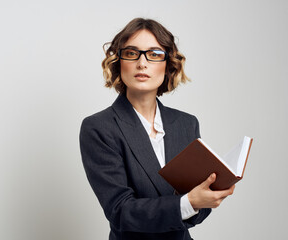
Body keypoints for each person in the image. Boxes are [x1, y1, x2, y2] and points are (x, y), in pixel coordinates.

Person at [79, 18, 235, 240]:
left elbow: (200, 203)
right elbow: (121, 212)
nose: (142, 63)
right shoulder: (99, 128)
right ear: (118, 61)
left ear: (168, 64)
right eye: (132, 53)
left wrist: (206, 196)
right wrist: (188, 202)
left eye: (154, 54)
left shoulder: (186, 124)